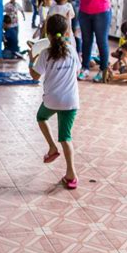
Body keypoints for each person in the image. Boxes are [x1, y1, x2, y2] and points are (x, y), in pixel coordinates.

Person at [28, 14, 81, 189]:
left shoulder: (45, 54)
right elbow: (77, 71)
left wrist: (31, 59)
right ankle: (71, 174)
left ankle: (52, 147)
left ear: (47, 33)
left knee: (41, 117)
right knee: (66, 138)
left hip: (51, 101)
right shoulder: (72, 50)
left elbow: (35, 76)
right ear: (67, 32)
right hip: (71, 101)